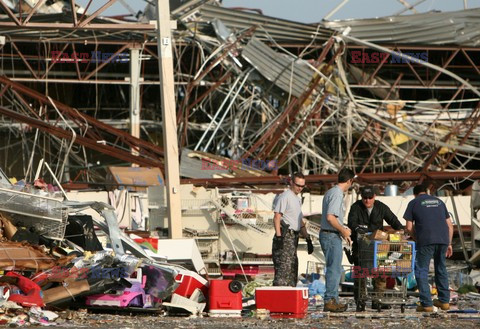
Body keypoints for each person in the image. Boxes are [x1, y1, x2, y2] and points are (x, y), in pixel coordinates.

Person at [347, 186, 404, 311]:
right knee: (360, 274)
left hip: (378, 246)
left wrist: (399, 230)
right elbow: (351, 222)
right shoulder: (356, 207)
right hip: (361, 246)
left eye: (370, 198)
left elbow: (393, 220)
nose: (367, 201)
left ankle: (377, 300)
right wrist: (357, 229)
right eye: (365, 198)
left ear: (374, 197)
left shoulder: (381, 207)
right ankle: (360, 300)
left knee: (381, 273)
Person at [404, 184, 453, 312]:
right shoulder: (439, 202)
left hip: (426, 241)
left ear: (415, 194)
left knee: (421, 271)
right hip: (443, 240)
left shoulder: (414, 203)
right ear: (426, 191)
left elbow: (408, 227)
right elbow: (450, 225)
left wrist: (416, 238)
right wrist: (449, 243)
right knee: (441, 269)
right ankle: (444, 301)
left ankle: (426, 304)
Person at [320, 168, 354, 312]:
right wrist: (343, 230)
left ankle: (332, 299)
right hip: (331, 235)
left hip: (331, 234)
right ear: (349, 181)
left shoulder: (332, 192)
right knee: (334, 269)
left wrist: (343, 230)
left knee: (334, 268)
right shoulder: (337, 194)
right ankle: (330, 300)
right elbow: (330, 217)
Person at [272, 172, 313, 286]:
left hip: (294, 237)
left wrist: (307, 238)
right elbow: (277, 217)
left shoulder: (297, 199)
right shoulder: (285, 197)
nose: (300, 188)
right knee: (283, 271)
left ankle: (288, 299)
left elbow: (299, 221)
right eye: (297, 185)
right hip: (285, 236)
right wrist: (279, 237)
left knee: (292, 269)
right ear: (291, 182)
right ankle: (279, 299)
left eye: (302, 186)